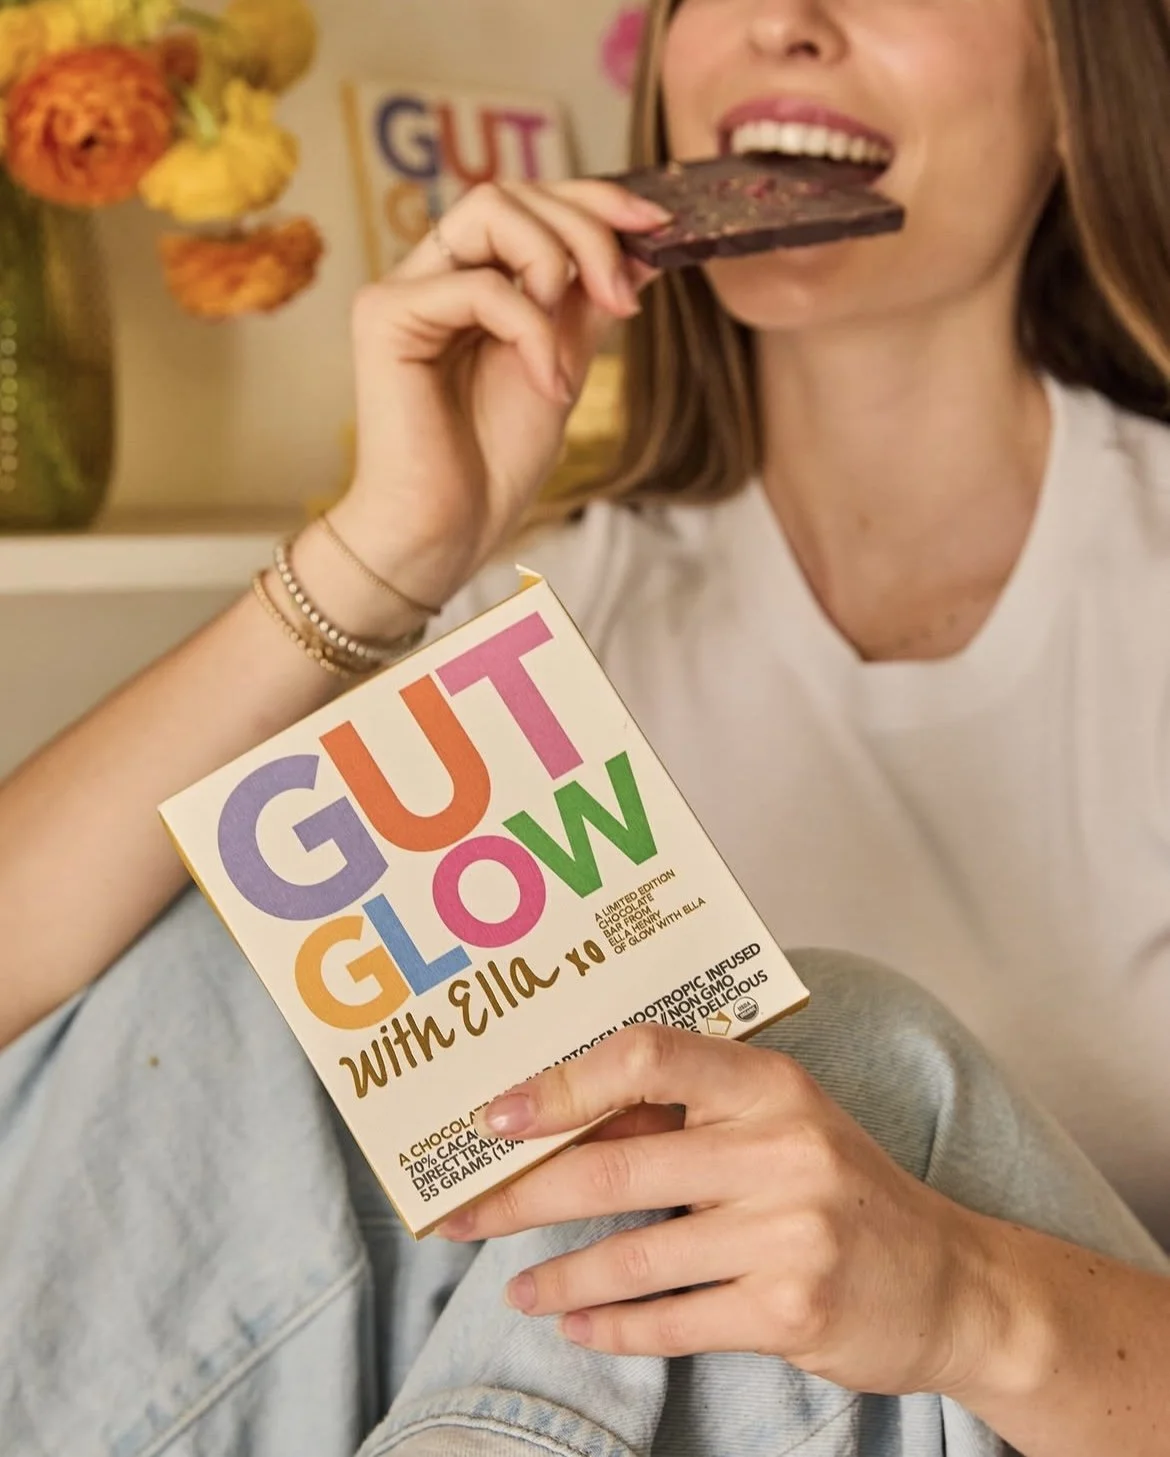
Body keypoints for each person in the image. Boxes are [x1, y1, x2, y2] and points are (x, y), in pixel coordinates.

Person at [1, 0, 1169, 1453]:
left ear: (1081, 73)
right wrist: (384, 552)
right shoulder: (537, 615)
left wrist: (965, 1297)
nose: (785, 21)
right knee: (237, 929)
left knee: (822, 1062)